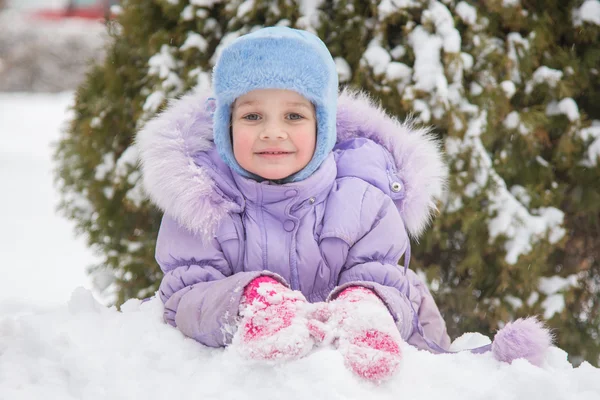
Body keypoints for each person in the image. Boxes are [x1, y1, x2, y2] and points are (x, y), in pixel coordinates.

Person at [137, 27, 551, 383]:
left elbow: (391, 282)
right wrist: (249, 299)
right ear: (225, 125)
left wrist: (365, 303)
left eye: (294, 117)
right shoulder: (202, 199)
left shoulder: (362, 196)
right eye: (252, 117)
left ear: (325, 125)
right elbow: (183, 296)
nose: (272, 132)